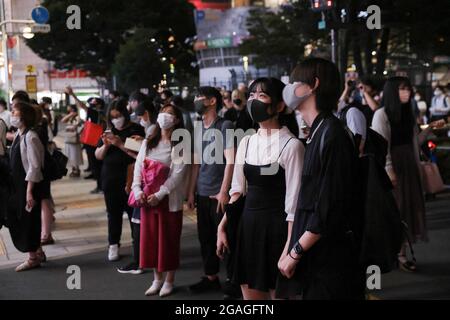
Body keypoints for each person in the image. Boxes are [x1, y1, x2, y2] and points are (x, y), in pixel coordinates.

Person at [277, 58, 365, 300]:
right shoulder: (318, 131)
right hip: (318, 258)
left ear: (313, 85)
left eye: (295, 81)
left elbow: (328, 207)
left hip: (332, 262)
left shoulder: (332, 134)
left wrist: (295, 252)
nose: (290, 86)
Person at [216, 77, 304, 300]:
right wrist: (223, 225)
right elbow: (238, 190)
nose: (254, 101)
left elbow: (294, 205)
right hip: (247, 228)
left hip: (278, 232)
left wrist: (289, 248)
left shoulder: (292, 145)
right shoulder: (247, 141)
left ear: (280, 105)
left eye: (262, 96)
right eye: (251, 96)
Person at [371, 77, 430, 272]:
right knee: (394, 210)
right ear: (391, 92)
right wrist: (389, 168)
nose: (407, 93)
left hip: (409, 166)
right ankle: (392, 253)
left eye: (408, 89)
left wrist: (429, 129)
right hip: (393, 167)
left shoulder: (407, 113)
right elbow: (381, 145)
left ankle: (401, 252)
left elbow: (414, 141)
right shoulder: (381, 114)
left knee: (407, 210)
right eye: (402, 89)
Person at [133, 104, 188, 297]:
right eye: (163, 112)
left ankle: (169, 281)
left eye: (171, 114)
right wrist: (137, 189)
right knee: (151, 240)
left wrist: (160, 194)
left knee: (169, 241)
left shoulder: (181, 144)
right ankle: (157, 279)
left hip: (168, 200)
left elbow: (178, 175)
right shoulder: (148, 142)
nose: (165, 116)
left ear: (177, 120)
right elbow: (139, 167)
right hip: (147, 200)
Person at [187, 86, 235, 294]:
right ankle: (211, 276)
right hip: (202, 193)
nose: (196, 101)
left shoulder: (225, 125)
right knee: (205, 238)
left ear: (213, 101)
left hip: (218, 194)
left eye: (200, 98)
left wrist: (225, 191)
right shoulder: (198, 128)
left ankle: (234, 281)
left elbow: (232, 161)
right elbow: (196, 163)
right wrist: (191, 192)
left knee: (227, 237)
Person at [95, 99, 145, 261]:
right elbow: (98, 155)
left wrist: (119, 143)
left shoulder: (135, 130)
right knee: (113, 213)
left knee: (133, 213)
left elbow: (140, 152)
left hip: (131, 177)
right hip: (110, 178)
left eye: (118, 115)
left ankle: (137, 244)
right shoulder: (107, 130)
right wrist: (106, 145)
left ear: (125, 114)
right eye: (113, 116)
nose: (116, 119)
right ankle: (113, 245)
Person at [117, 98, 157, 274]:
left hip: (147, 184)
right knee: (140, 224)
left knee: (139, 225)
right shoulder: (151, 130)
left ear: (146, 114)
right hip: (146, 183)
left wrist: (121, 144)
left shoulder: (154, 129)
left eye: (141, 116)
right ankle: (143, 259)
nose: (140, 120)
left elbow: (147, 158)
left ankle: (140, 261)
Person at [7, 101, 46, 271]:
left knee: (29, 221)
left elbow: (35, 166)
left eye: (14, 112)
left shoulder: (31, 137)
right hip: (18, 186)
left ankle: (32, 258)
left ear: (23, 117)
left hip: (28, 187)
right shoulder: (19, 134)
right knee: (22, 219)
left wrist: (29, 191)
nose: (12, 114)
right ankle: (37, 252)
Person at [65, 86, 105, 193]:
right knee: (95, 165)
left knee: (96, 166)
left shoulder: (96, 113)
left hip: (93, 143)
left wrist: (72, 94)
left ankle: (100, 186)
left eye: (93, 105)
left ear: (99, 105)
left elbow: (81, 105)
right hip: (92, 142)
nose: (90, 107)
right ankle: (100, 186)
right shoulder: (98, 113)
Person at [61, 105, 83, 178]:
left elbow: (78, 125)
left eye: (69, 107)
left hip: (74, 139)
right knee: (70, 154)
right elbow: (63, 120)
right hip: (69, 138)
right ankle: (74, 169)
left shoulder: (77, 117)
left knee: (75, 154)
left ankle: (76, 170)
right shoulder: (70, 116)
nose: (67, 107)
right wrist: (70, 114)